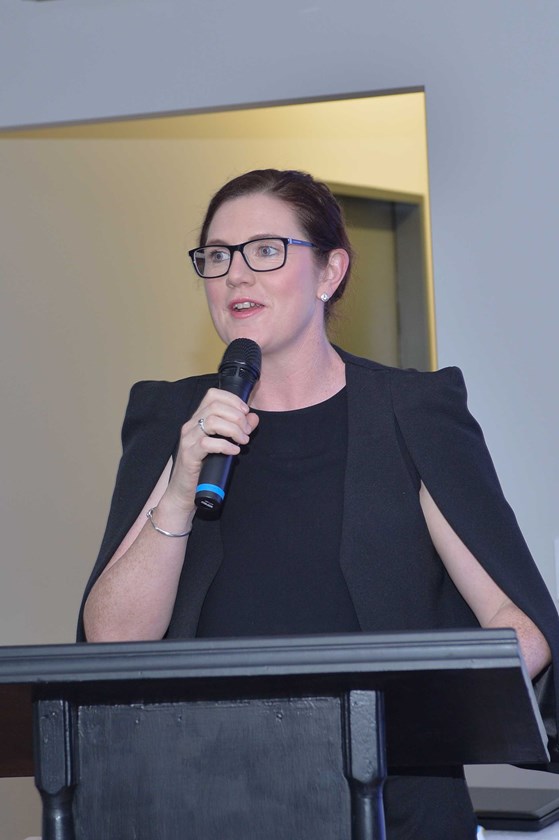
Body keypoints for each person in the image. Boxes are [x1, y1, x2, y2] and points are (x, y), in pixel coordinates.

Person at [78, 168, 559, 839]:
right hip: (199, 801)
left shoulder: (410, 411)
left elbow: (520, 631)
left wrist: (390, 720)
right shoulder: (172, 420)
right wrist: (181, 487)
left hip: (391, 803)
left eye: (265, 250)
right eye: (216, 256)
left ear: (330, 271)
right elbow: (111, 641)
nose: (235, 275)